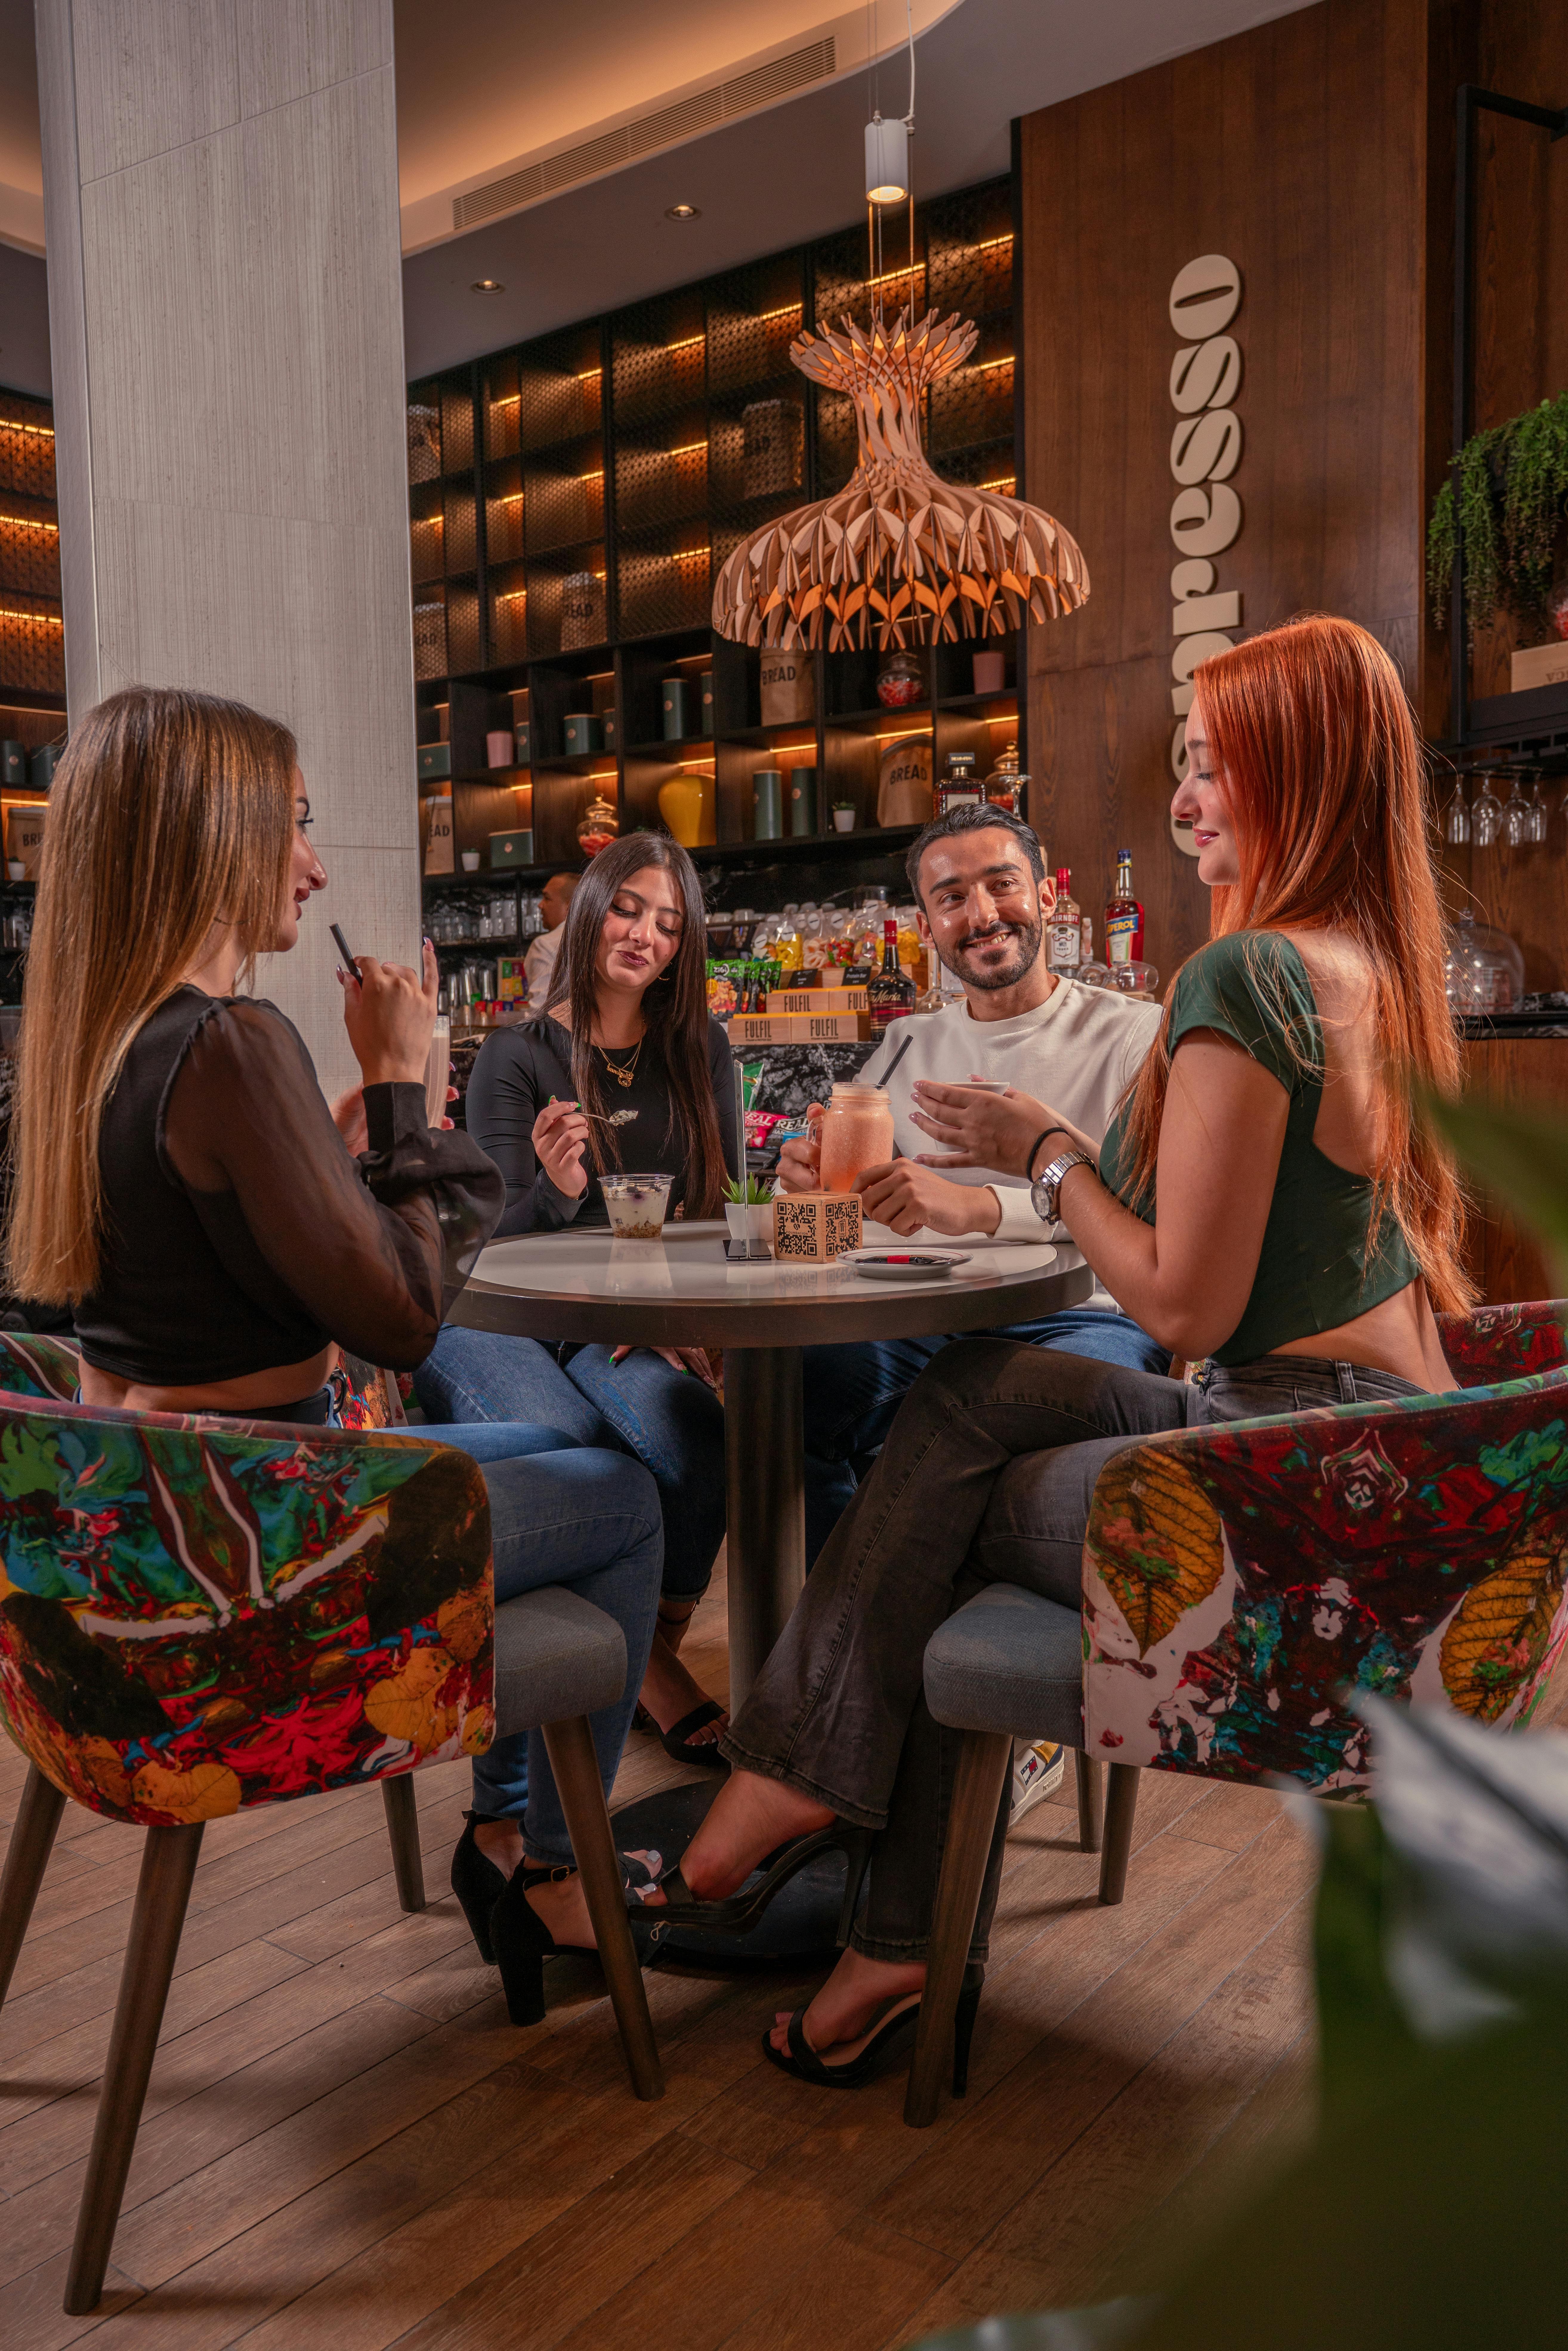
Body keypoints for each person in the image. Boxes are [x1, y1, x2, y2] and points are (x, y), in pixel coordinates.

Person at [671, 615, 1471, 2083]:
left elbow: (1181, 1309)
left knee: (944, 1490)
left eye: (1209, 772)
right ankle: (832, 1836)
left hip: (1285, 1487)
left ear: (1295, 774)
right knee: (969, 1397)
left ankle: (826, 1824)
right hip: (1396, 1455)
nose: (1180, 805)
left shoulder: (1244, 982)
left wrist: (1046, 1154)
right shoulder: (1376, 968)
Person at [5, 684, 665, 2024]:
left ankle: (500, 1833)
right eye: (295, 823)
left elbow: (241, 1274)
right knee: (630, 1495)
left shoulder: (103, 1048)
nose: (313, 862)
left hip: (136, 1537)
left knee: (570, 1442)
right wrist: (409, 1083)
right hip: (268, 1554)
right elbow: (405, 1321)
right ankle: (539, 1862)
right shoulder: (232, 1041)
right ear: (211, 834)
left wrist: (342, 1146)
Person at [415, 831, 739, 1764]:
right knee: (578, 1451)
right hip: (500, 1318)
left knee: (692, 1438)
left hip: (626, 1322)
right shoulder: (515, 1054)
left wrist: (687, 1321)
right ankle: (652, 1680)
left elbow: (716, 1211)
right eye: (630, 908)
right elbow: (486, 1239)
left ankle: (639, 1651)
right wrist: (559, 1190)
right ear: (592, 909)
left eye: (669, 923)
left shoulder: (699, 1048)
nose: (645, 933)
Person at [778, 803, 1166, 1570]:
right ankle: (843, 1630)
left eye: (1002, 885)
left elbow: (1151, 1207)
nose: (983, 915)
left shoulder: (1136, 1033)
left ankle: (907, 1634)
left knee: (1015, 1418)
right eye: (952, 898)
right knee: (794, 1397)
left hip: (1081, 1315)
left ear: (1048, 897)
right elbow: (850, 1198)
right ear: (927, 928)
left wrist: (983, 1209)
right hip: (925, 1315)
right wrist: (811, 1182)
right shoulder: (905, 1043)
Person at [524, 871, 577, 1011]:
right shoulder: (599, 938)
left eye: (547, 899)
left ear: (570, 906)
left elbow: (540, 1011)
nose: (540, 905)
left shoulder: (546, 945)